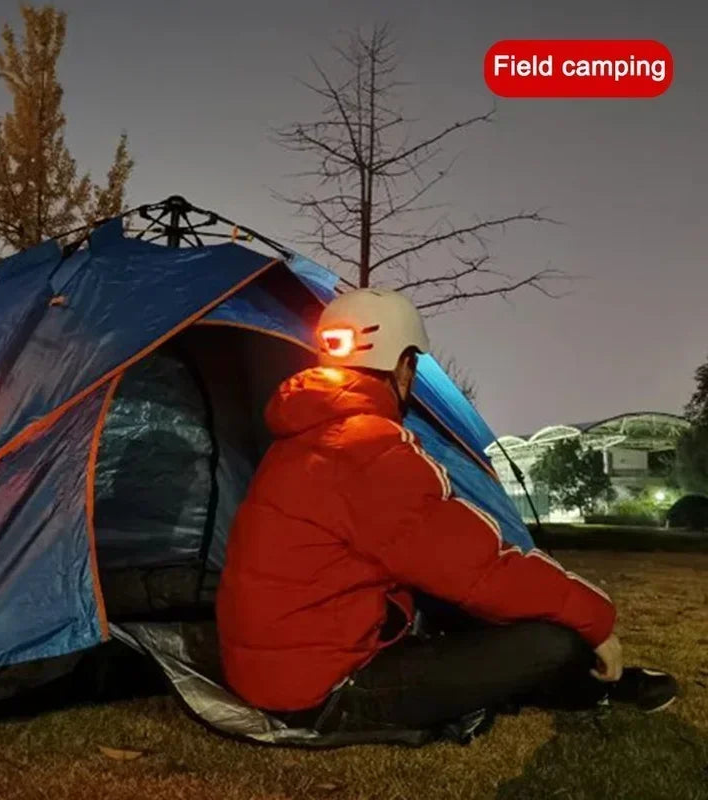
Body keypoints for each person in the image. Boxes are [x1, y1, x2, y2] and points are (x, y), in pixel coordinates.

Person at [216, 288, 677, 740]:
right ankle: (596, 687)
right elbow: (481, 568)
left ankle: (584, 682)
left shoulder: (302, 436)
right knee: (549, 639)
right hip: (321, 691)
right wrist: (594, 618)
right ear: (403, 366)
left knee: (468, 607)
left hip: (271, 672)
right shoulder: (366, 448)